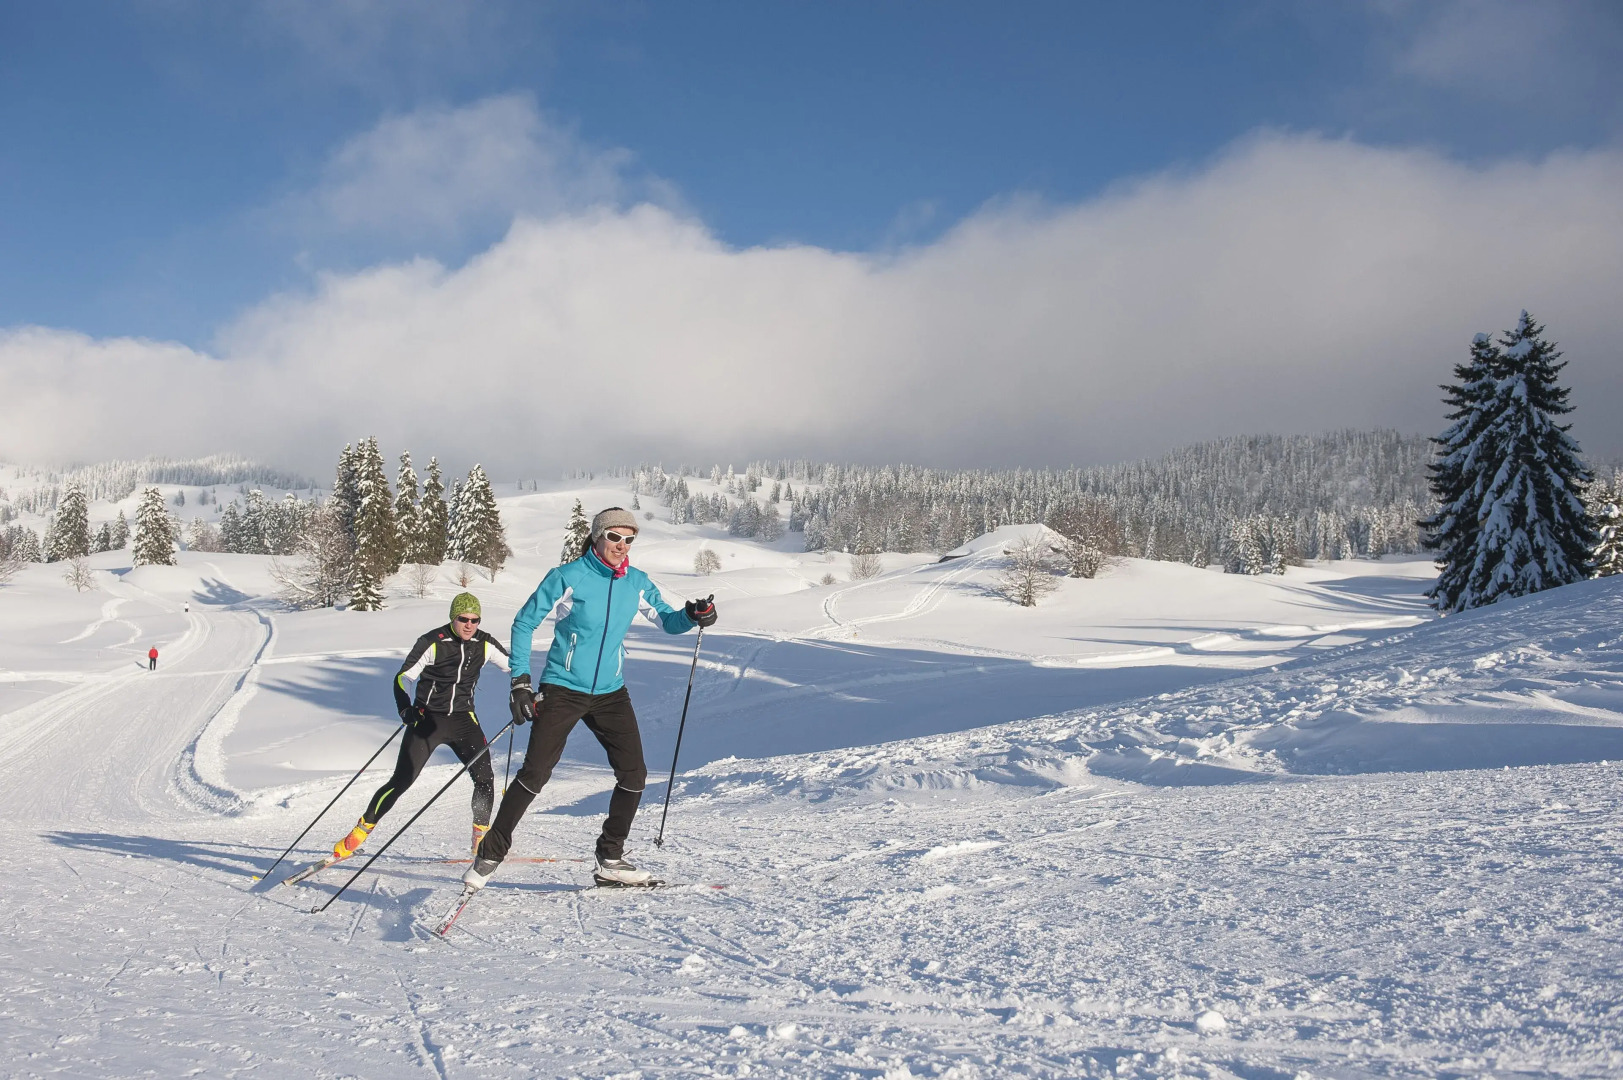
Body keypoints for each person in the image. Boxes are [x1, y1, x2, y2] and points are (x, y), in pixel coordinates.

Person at [464, 507, 717, 889]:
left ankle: (610, 859)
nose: (622, 545)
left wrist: (694, 614)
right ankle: (490, 853)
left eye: (629, 539)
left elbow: (667, 620)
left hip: (610, 692)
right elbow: (524, 622)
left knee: (634, 775)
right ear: (598, 537)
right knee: (535, 773)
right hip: (563, 687)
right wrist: (520, 681)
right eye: (615, 537)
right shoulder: (568, 576)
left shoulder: (637, 582)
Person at [331, 592, 510, 862]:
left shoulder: (484, 643)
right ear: (453, 617)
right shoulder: (432, 641)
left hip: (463, 720)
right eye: (463, 619)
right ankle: (360, 831)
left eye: (475, 620)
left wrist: (526, 689)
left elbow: (514, 666)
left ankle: (480, 839)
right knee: (402, 780)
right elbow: (404, 677)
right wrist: (406, 708)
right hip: (428, 720)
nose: (469, 625)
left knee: (485, 778)